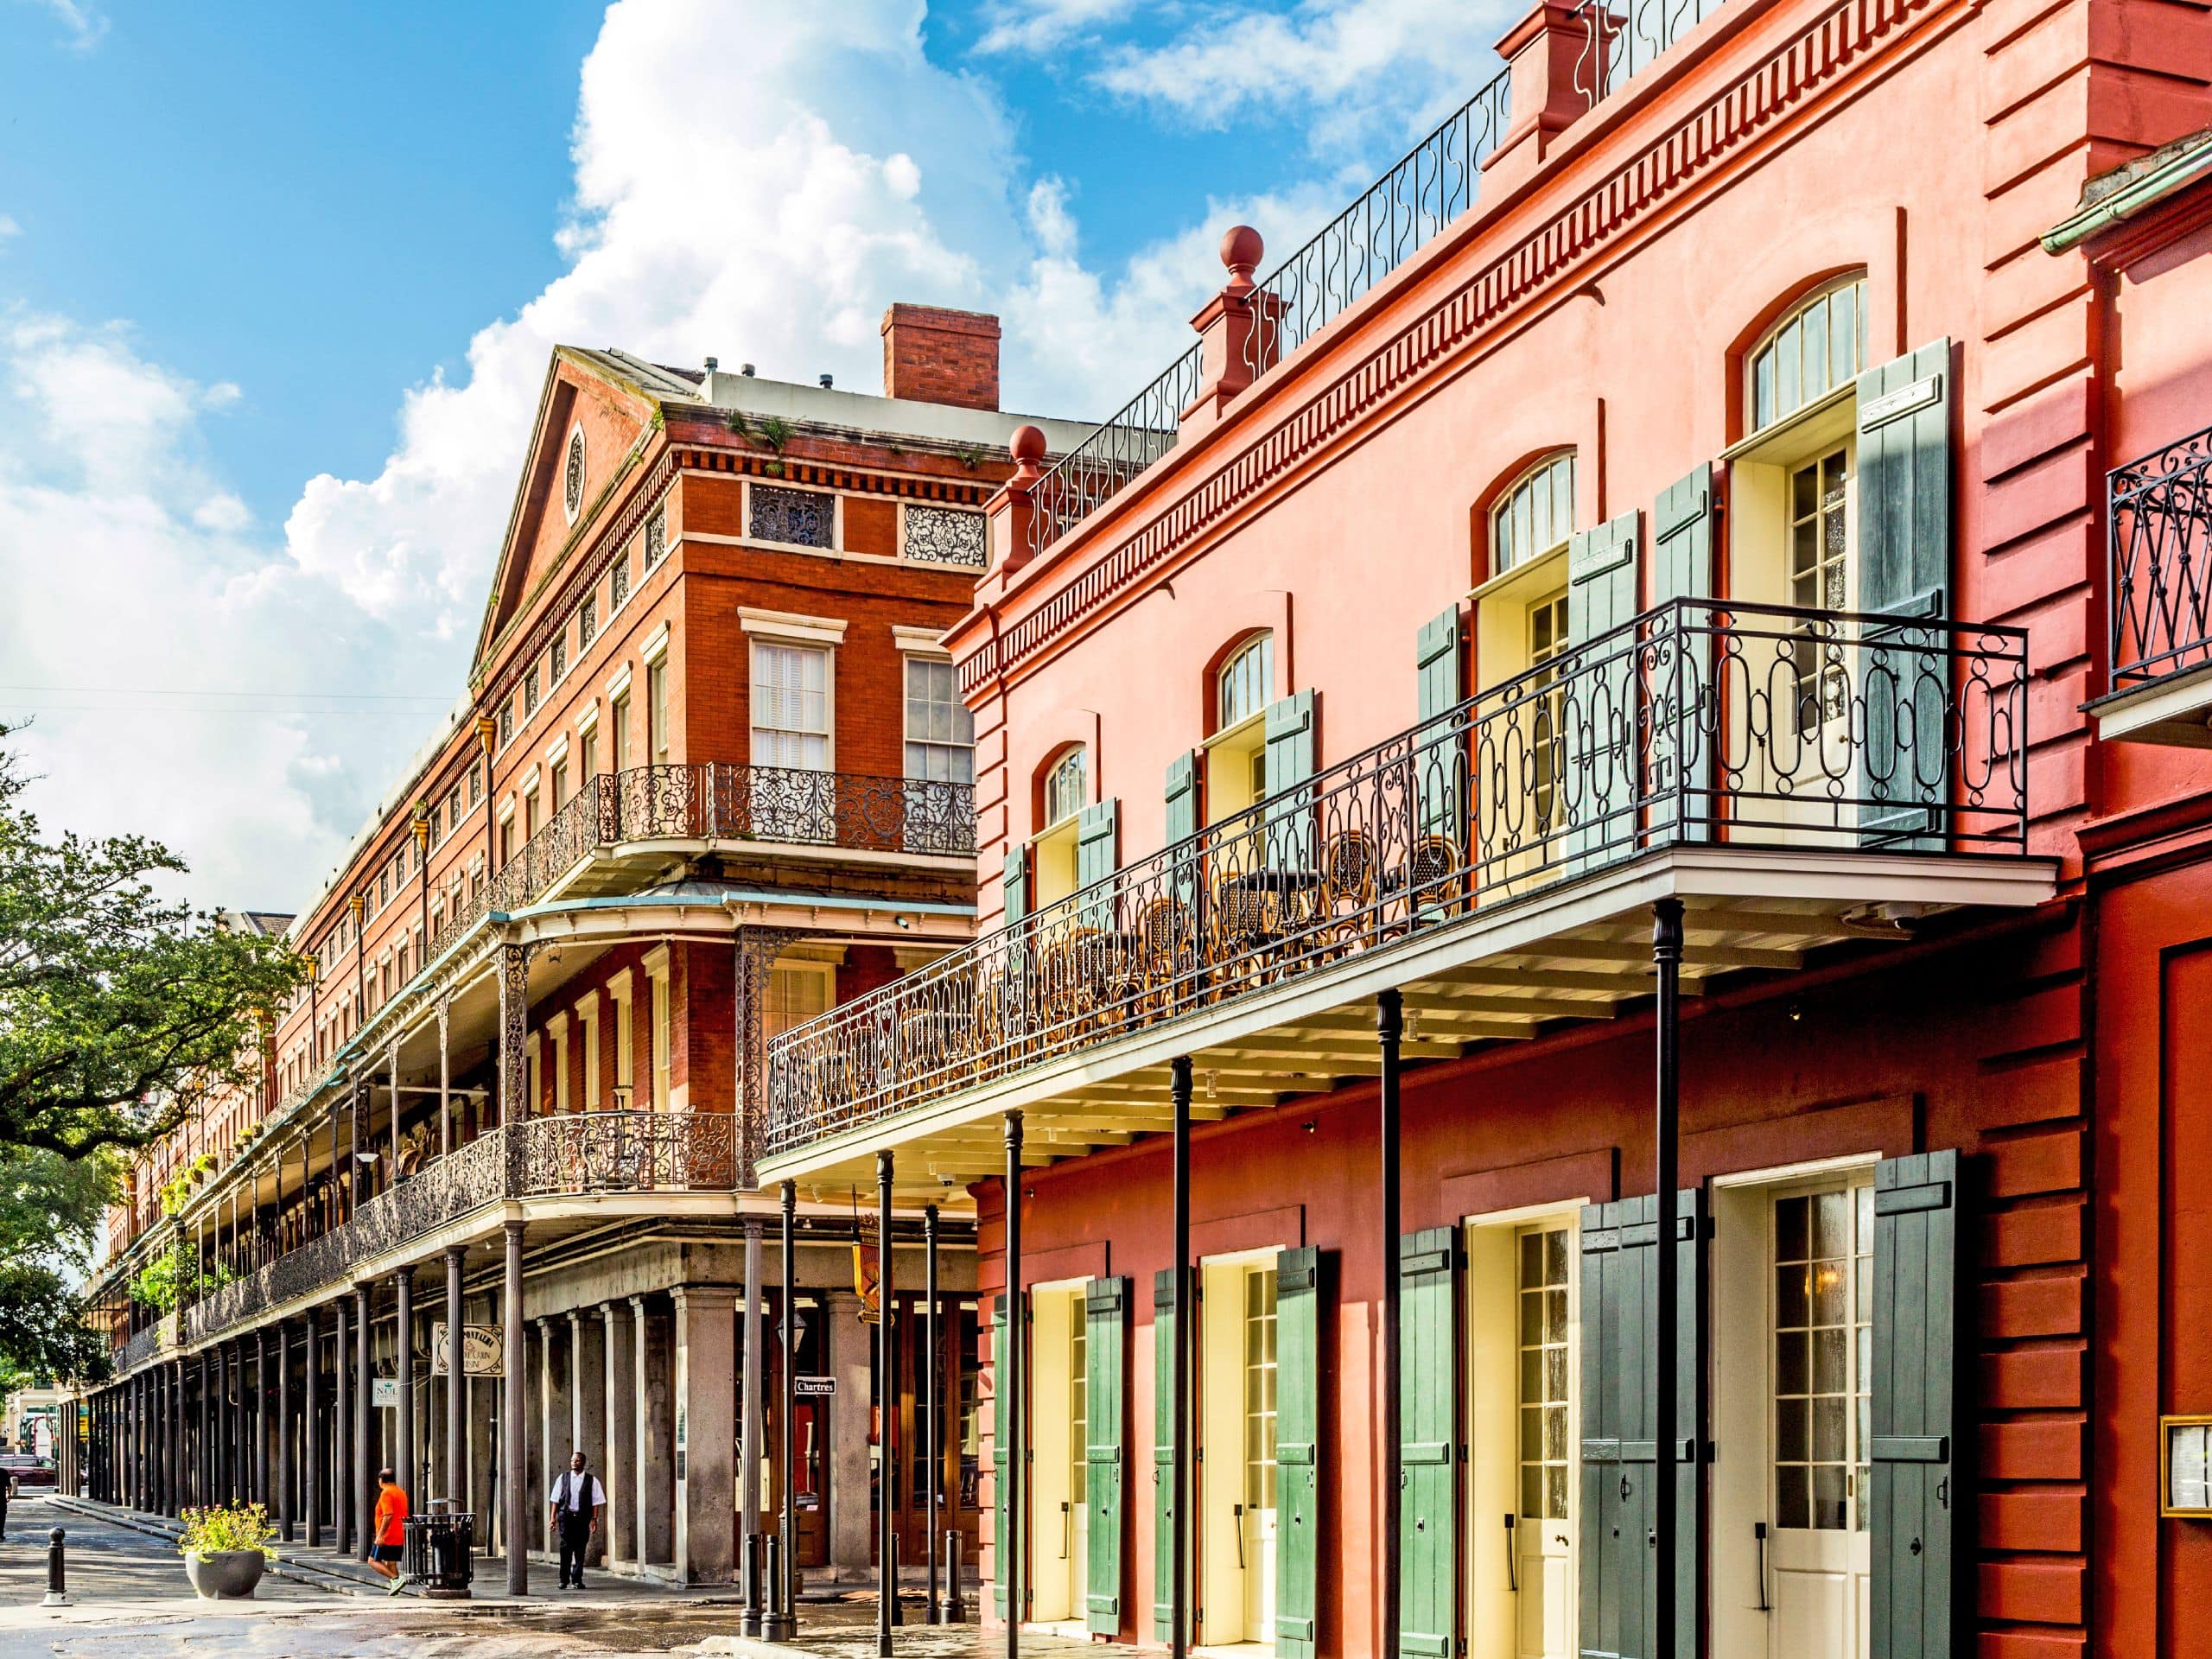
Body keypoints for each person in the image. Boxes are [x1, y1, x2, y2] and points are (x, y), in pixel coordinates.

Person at [549, 1451, 607, 1590]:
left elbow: (596, 1502)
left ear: (583, 1463)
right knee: (565, 1549)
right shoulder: (563, 1478)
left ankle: (577, 1580)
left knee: (580, 1549)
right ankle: (563, 1580)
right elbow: (556, 1500)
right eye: (573, 1460)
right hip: (566, 1518)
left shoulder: (592, 1481)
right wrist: (553, 1519)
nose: (574, 1462)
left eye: (578, 1460)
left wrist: (594, 1519)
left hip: (582, 1518)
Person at [369, 1466, 410, 1595]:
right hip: (399, 1534)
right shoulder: (400, 1492)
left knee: (372, 1561)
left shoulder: (386, 1493)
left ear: (381, 1480)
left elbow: (388, 1515)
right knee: (391, 1563)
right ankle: (395, 1587)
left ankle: (396, 1579)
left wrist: (380, 1535)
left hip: (387, 1535)